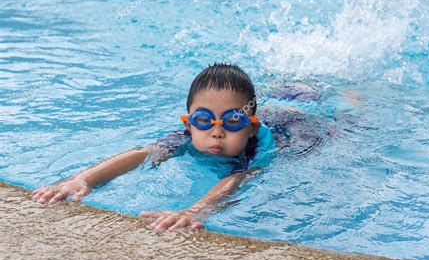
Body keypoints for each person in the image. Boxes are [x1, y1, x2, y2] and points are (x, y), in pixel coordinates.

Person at [32, 63, 334, 231]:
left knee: (319, 108)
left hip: (295, 125)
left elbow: (234, 180)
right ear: (189, 124)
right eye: (204, 121)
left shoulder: (256, 148)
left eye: (231, 122)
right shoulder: (190, 134)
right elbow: (142, 154)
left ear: (250, 127)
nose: (216, 133)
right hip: (260, 110)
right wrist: (82, 179)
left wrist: (196, 211)